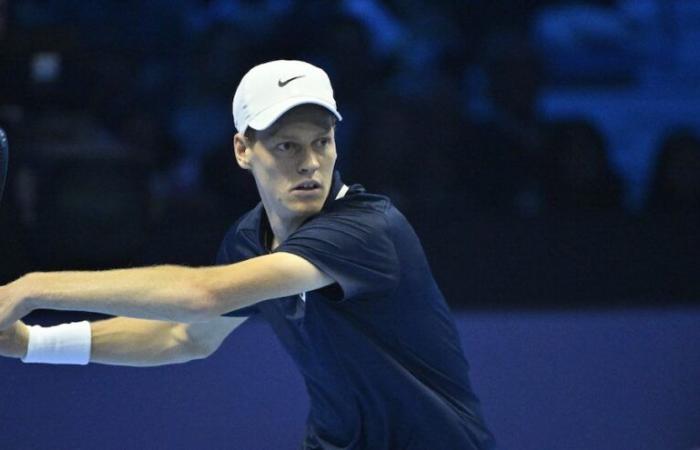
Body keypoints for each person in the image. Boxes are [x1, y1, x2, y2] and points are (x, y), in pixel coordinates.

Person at [0, 60, 495, 449]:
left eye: (322, 142)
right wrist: (31, 343)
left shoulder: (367, 229)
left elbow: (200, 296)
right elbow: (183, 336)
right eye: (285, 146)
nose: (309, 163)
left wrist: (30, 287)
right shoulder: (249, 238)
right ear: (242, 150)